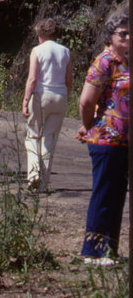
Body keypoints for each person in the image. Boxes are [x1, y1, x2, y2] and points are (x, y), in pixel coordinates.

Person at [77, 14, 129, 265]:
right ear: (110, 36)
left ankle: (109, 250)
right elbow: (87, 101)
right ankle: (92, 251)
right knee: (104, 193)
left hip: (124, 141)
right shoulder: (104, 61)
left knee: (117, 195)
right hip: (105, 139)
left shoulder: (126, 63)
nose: (128, 37)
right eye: (123, 33)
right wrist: (88, 126)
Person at [21, 19, 73, 190]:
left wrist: (26, 100)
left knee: (33, 135)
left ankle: (34, 174)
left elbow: (33, 78)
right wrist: (66, 96)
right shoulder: (65, 51)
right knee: (49, 138)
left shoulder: (37, 50)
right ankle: (43, 183)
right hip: (60, 96)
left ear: (40, 34)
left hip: (41, 95)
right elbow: (69, 80)